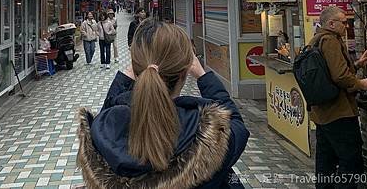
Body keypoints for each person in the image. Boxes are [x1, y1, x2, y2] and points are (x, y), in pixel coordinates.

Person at [77, 20, 249, 188]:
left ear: (137, 70)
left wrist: (128, 75)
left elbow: (105, 121)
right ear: (184, 72)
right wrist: (203, 76)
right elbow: (236, 125)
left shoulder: (107, 128)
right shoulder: (206, 133)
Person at [310, 6, 367, 189]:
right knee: (351, 161)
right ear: (331, 24)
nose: (346, 26)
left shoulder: (316, 39)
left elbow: (330, 72)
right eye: (343, 22)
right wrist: (361, 84)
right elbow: (339, 76)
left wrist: (357, 64)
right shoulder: (330, 40)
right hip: (338, 112)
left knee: (326, 161)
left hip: (322, 112)